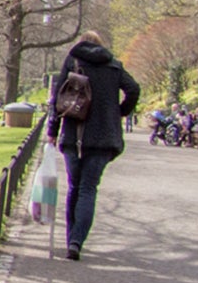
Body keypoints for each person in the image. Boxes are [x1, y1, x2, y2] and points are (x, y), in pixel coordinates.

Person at [45, 30, 140, 261]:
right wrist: (119, 112)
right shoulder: (113, 66)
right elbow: (134, 89)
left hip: (73, 134)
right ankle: (77, 241)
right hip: (103, 138)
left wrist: (52, 131)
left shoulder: (73, 62)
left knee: (74, 188)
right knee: (88, 189)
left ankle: (71, 240)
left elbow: (57, 98)